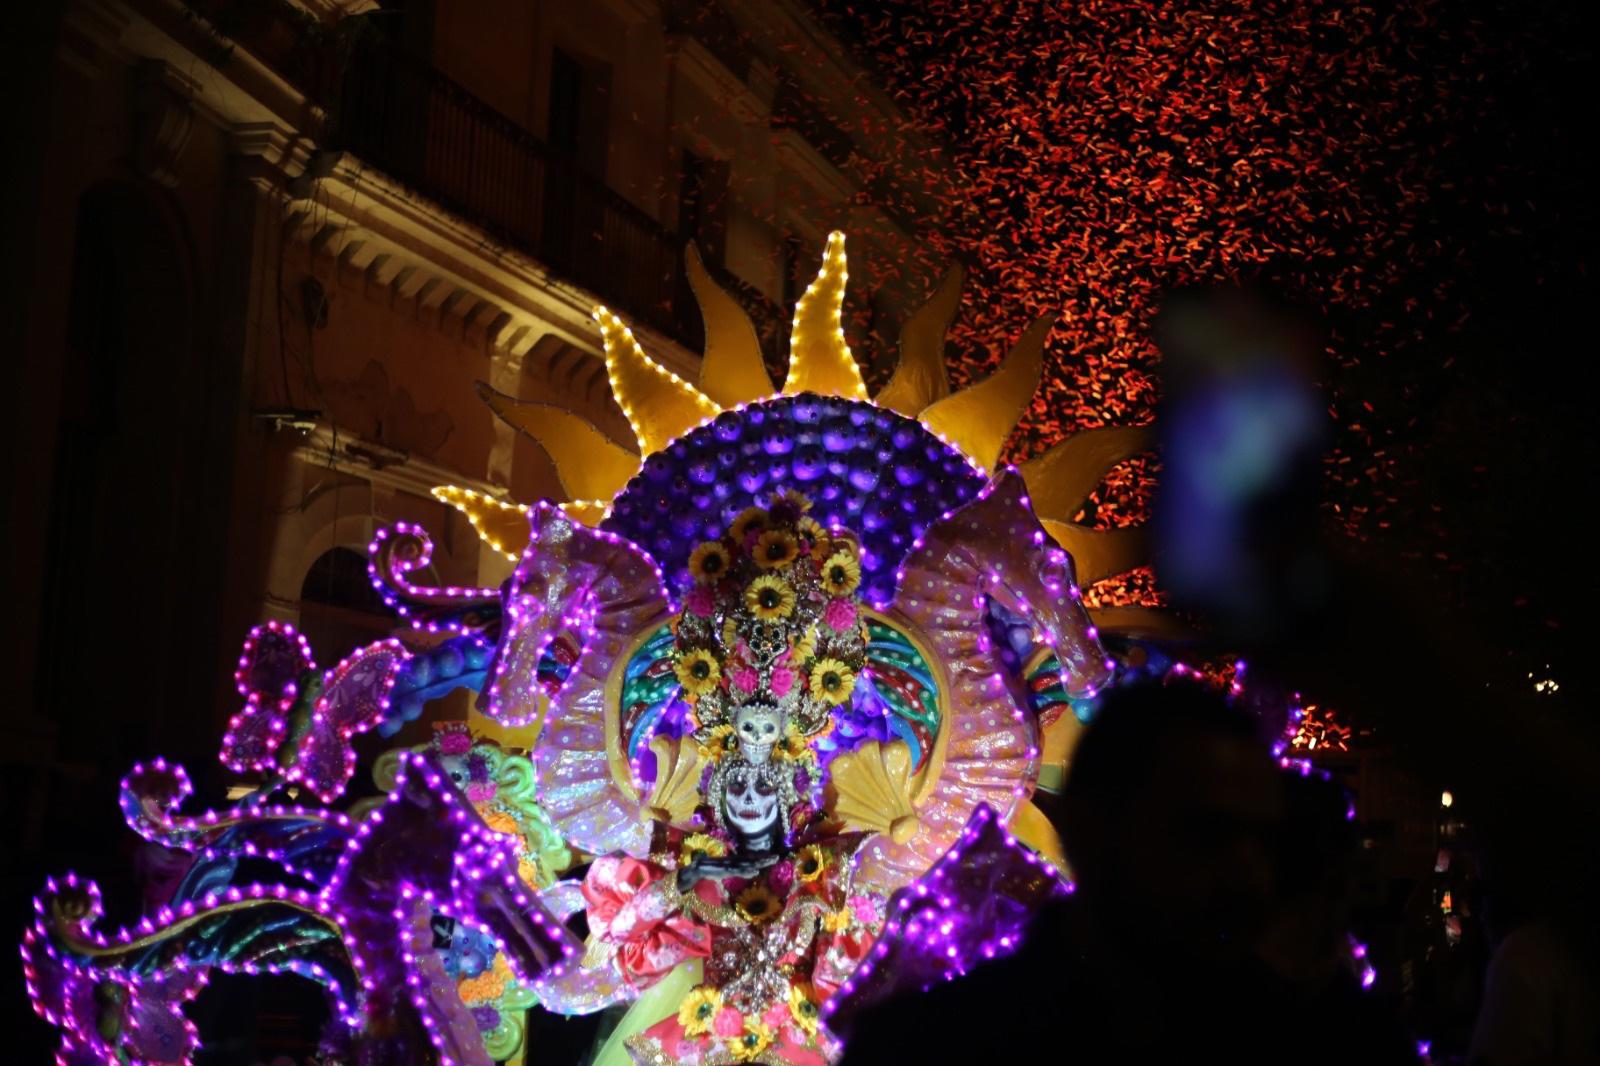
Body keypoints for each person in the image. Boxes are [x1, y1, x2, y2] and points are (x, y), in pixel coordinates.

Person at [838, 682, 1414, 1063]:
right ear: (1095, 830)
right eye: (1202, 833)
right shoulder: (933, 1045)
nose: (1244, 871)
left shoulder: (1333, 1041)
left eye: (1261, 839)